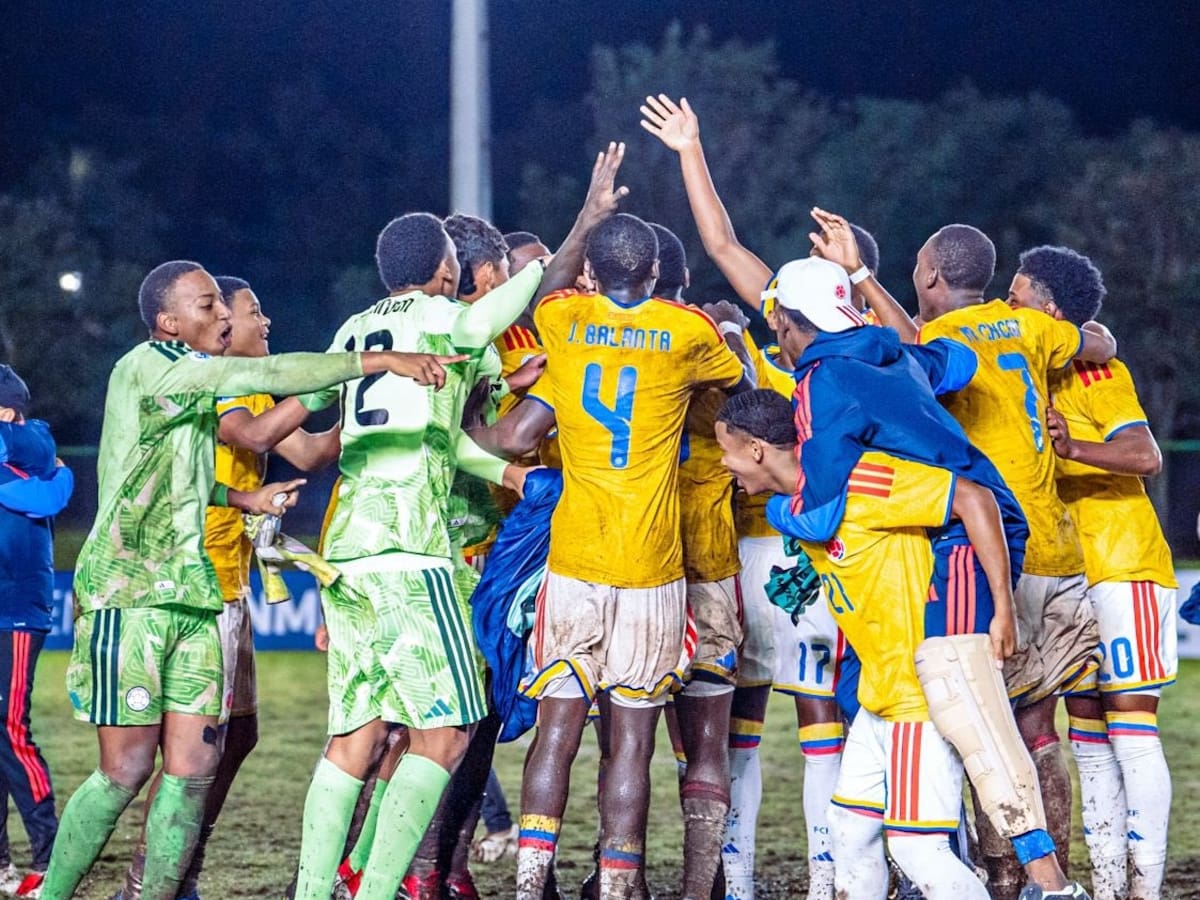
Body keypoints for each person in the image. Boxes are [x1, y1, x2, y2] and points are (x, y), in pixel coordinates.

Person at [41, 259, 459, 900]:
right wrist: (376, 362)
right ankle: (52, 894)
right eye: (209, 306)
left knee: (194, 770)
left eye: (222, 305)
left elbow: (184, 477)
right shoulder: (147, 368)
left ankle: (153, 893)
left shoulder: (196, 383)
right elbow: (262, 377)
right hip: (129, 593)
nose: (226, 317)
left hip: (198, 592)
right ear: (168, 321)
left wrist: (245, 501)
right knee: (124, 771)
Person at [810, 207, 1114, 897]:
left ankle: (1004, 876)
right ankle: (1043, 877)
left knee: (970, 718)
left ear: (931, 275)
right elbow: (1100, 341)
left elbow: (910, 346)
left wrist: (857, 272)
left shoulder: (936, 335)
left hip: (984, 547)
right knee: (1034, 729)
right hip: (1058, 552)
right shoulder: (1033, 326)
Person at [470, 212, 751, 899]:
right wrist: (729, 326)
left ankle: (531, 887)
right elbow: (737, 376)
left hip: (572, 563)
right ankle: (622, 889)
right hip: (655, 569)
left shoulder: (565, 325)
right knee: (631, 742)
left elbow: (547, 299)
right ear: (655, 275)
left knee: (558, 734)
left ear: (594, 274)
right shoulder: (689, 333)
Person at [639, 93, 850, 900]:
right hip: (814, 556)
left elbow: (721, 244)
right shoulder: (843, 354)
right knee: (823, 725)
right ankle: (837, 879)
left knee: (738, 735)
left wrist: (692, 150)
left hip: (746, 557)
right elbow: (726, 245)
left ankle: (737, 881)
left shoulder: (757, 357)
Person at [715, 388, 1014, 900]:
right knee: (850, 835)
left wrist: (1004, 608)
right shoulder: (801, 507)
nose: (723, 464)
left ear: (757, 449)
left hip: (920, 699)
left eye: (727, 450)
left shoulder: (861, 480)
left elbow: (973, 498)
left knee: (919, 850)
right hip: (881, 697)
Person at [112, 275, 345, 900]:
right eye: (252, 311)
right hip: (194, 581)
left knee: (237, 736)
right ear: (222, 327)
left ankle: (181, 862)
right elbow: (250, 437)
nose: (264, 322)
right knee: (193, 750)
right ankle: (150, 881)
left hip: (231, 580)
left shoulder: (257, 386)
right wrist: (332, 379)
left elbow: (310, 452)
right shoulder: (207, 380)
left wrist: (371, 411)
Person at [1009, 246, 1176, 900]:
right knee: (1088, 736)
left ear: (1050, 311)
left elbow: (1146, 454)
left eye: (1018, 298)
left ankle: (1145, 889)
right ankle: (1107, 887)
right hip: (1069, 578)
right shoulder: (1021, 373)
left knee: (1132, 731)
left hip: (1125, 566)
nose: (1008, 306)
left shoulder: (1097, 374)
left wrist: (1070, 446)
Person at [0, 366, 73, 900]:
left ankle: (49, 857)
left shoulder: (27, 444)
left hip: (15, 613)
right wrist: (61, 475)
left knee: (10, 730)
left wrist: (59, 476)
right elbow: (53, 486)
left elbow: (48, 499)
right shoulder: (31, 454)